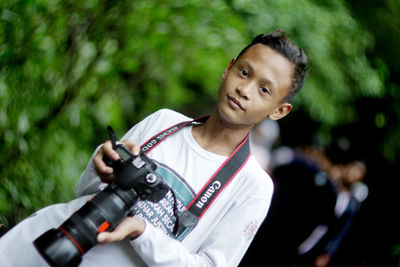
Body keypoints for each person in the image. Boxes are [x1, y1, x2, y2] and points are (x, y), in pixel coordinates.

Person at [0, 29, 308, 266]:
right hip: (40, 243)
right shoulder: (165, 122)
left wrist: (142, 231)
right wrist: (102, 165)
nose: (244, 89)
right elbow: (84, 191)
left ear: (279, 110)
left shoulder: (252, 185)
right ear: (228, 68)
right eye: (244, 72)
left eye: (264, 89)